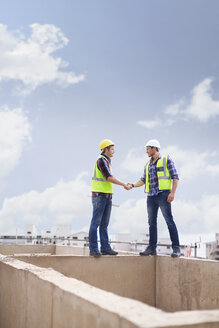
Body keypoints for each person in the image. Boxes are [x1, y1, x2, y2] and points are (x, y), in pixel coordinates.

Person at [128, 139, 181, 257]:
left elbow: (175, 178)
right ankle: (152, 248)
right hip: (151, 196)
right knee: (152, 223)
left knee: (169, 220)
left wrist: (172, 193)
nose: (146, 151)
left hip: (163, 195)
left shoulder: (166, 160)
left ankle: (176, 248)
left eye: (147, 149)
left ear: (154, 148)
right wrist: (132, 185)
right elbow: (142, 180)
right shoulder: (147, 165)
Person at [89, 139, 129, 257]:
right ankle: (93, 249)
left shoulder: (106, 161)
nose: (114, 151)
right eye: (112, 149)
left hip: (107, 196)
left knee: (104, 224)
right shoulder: (101, 160)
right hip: (99, 196)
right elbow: (108, 177)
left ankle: (105, 248)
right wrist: (123, 184)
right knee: (95, 223)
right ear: (106, 149)